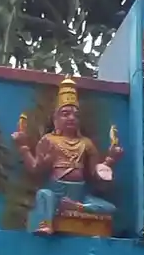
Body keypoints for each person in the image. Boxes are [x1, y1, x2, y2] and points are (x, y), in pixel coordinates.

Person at [15, 79, 120, 232]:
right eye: (65, 114)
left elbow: (95, 175)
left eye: (75, 115)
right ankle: (46, 225)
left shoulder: (86, 143)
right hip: (56, 192)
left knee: (109, 208)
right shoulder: (48, 140)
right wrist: (23, 147)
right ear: (55, 118)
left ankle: (78, 207)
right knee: (44, 195)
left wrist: (111, 159)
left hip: (80, 195)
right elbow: (34, 168)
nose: (71, 118)